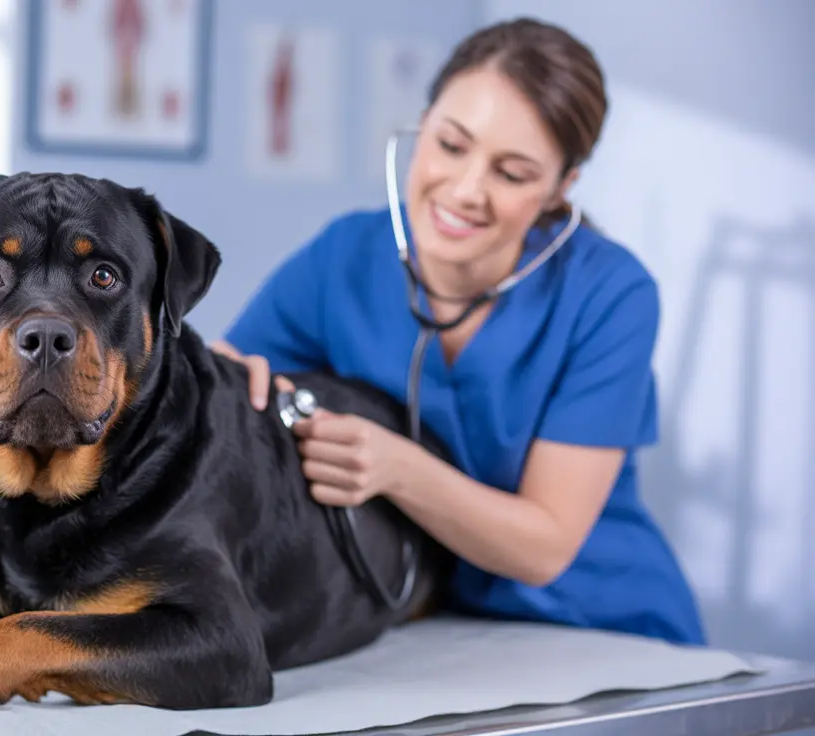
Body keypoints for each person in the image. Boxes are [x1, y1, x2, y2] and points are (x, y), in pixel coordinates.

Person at [213, 17, 706, 646]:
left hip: (606, 625)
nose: (467, 189)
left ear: (562, 188)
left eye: (514, 173)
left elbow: (545, 546)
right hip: (441, 622)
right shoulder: (343, 258)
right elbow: (229, 373)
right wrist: (227, 383)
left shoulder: (611, 295)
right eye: (450, 144)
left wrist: (396, 469)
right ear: (423, 126)